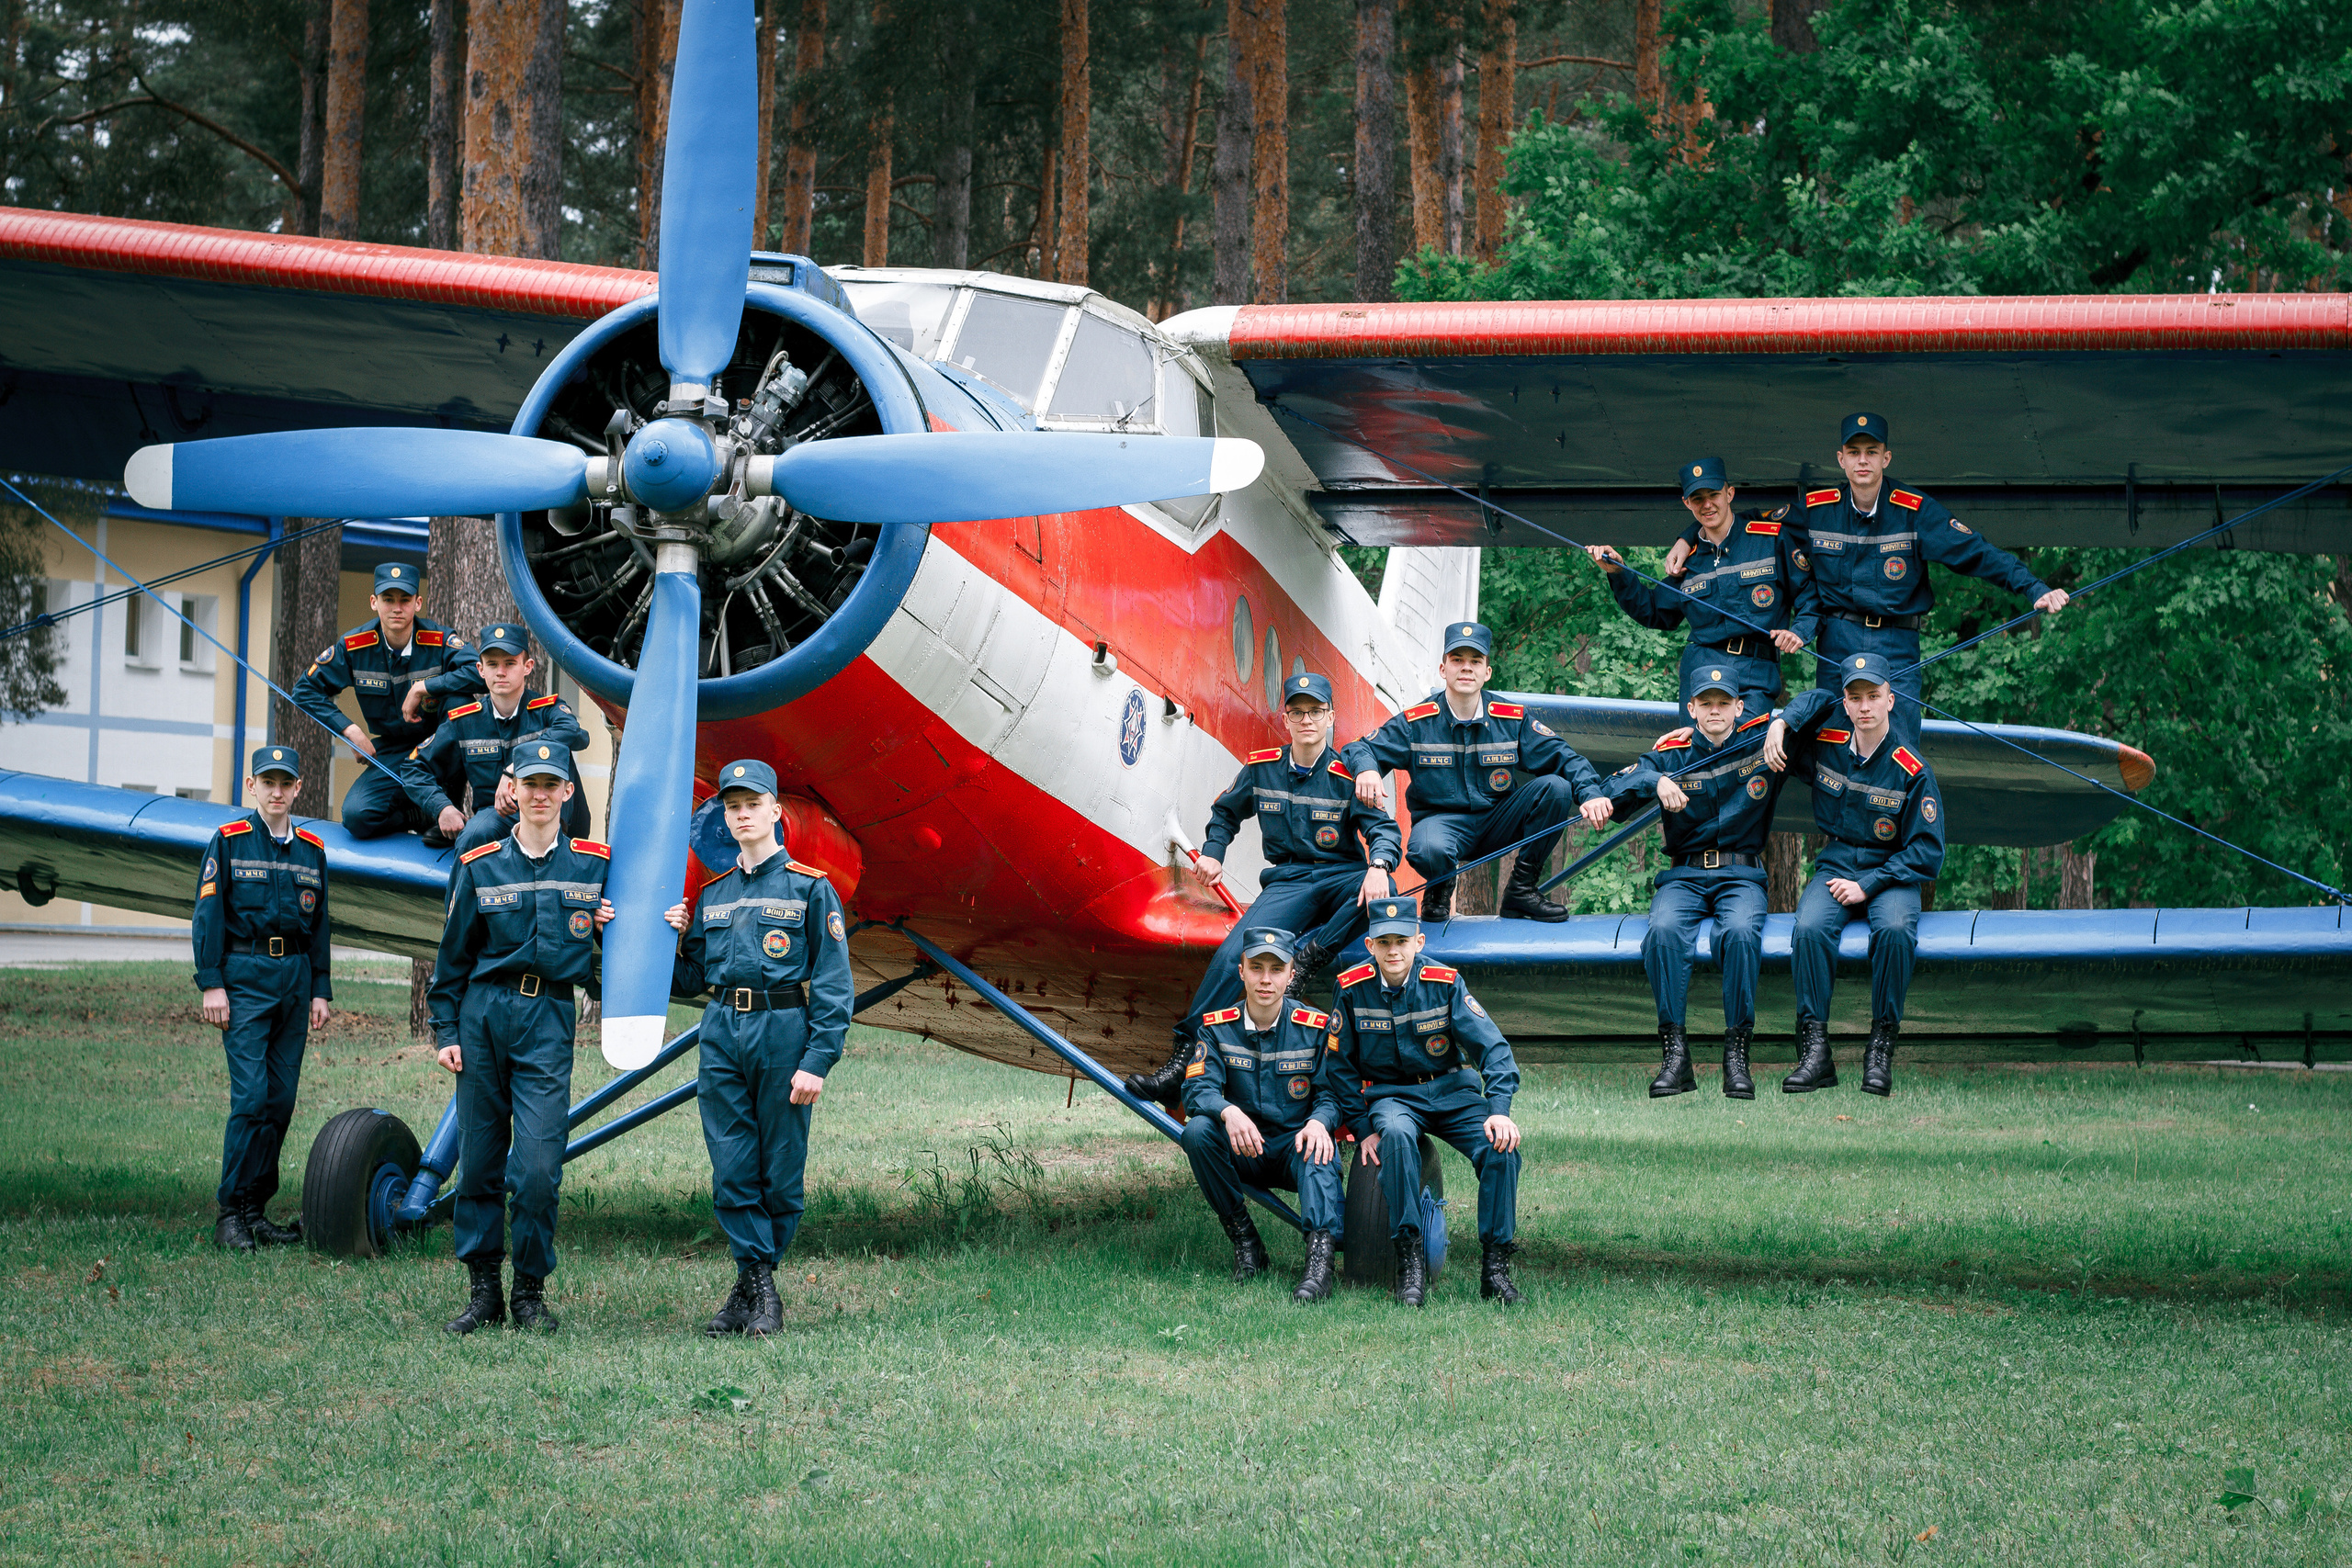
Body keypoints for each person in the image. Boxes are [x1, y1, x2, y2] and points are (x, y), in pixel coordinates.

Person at [1673, 414, 2066, 744]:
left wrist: (2033, 587)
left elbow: (1976, 553)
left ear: (1886, 458)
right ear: (1841, 460)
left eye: (1872, 453)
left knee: (1898, 749)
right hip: (1836, 642)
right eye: (1855, 453)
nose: (1863, 461)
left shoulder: (1915, 511)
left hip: (1896, 644)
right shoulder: (1817, 510)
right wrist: (1687, 537)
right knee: (1831, 745)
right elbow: (1741, 523)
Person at [1125, 671, 1398, 1110]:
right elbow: (1226, 812)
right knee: (1235, 956)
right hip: (1288, 882)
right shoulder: (1262, 766)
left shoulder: (1349, 775)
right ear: (1286, 718)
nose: (1307, 719)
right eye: (1298, 712)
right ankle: (1183, 1061)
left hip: (1340, 877)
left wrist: (1379, 864)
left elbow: (1384, 831)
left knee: (1386, 892)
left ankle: (1308, 958)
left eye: (1316, 711)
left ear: (1330, 717)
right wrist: (1214, 852)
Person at [664, 759, 854, 1338]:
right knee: (731, 1165)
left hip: (783, 1029)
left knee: (782, 1172)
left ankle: (747, 1289)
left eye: (753, 804)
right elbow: (693, 978)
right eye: (732, 805)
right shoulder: (713, 893)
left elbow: (833, 983)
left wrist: (817, 1061)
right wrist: (665, 940)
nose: (742, 814)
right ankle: (760, 1291)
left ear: (776, 811)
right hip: (722, 1030)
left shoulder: (810, 888)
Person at [427, 744, 614, 1334]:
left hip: (548, 1020)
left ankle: (529, 1292)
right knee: (480, 1161)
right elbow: (452, 956)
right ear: (513, 788)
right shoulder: (480, 862)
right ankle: (484, 1291)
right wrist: (446, 1029)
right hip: (484, 1016)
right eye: (528, 782)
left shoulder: (593, 866)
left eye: (550, 784)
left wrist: (621, 927)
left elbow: (619, 946)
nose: (538, 794)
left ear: (566, 794)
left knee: (537, 1166)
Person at [1322, 899, 1524, 1307]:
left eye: (1401, 941)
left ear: (1419, 941)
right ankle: (1410, 1261)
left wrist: (1499, 1111)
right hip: (1392, 1096)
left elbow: (1495, 1051)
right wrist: (1363, 1130)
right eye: (1384, 942)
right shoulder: (1351, 988)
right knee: (1394, 1135)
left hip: (1450, 1092)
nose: (1393, 950)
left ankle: (1495, 1269)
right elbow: (1339, 1067)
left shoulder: (1445, 982)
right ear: (1370, 945)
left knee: (1501, 1149)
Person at [1341, 623, 1614, 923]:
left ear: (1487, 672)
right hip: (1442, 827)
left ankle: (1521, 890)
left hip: (1499, 820)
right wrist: (1367, 768)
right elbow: (1359, 747)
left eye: (1476, 661)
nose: (1466, 668)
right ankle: (1440, 886)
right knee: (1428, 848)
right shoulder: (1417, 722)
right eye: (1457, 659)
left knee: (1557, 788)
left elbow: (1564, 756)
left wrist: (1590, 793)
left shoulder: (1510, 719)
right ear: (1443, 669)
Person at [1763, 652, 1948, 1096]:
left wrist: (1867, 885)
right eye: (1855, 697)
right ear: (1844, 704)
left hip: (1893, 871)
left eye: (1873, 696)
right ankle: (1814, 1052)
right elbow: (1810, 705)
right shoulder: (1825, 744)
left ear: (1890, 700)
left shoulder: (1912, 770)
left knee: (1897, 930)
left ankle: (1880, 1049)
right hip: (1838, 861)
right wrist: (1781, 723)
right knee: (1808, 928)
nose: (1864, 706)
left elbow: (1928, 851)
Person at [1602, 667, 1785, 1100]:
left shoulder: (1762, 742)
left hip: (1740, 875)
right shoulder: (1672, 752)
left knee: (1740, 933)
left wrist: (1782, 721)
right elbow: (1614, 787)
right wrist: (1656, 780)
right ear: (1692, 709)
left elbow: (1822, 702)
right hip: (1684, 876)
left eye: (1725, 703)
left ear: (1740, 707)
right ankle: (1675, 1055)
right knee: (1663, 932)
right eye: (1707, 703)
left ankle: (1737, 1055)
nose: (1716, 710)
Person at [191, 746, 331, 1252]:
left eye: (285, 783)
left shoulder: (312, 851)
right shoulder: (227, 843)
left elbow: (320, 926)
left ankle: (256, 1209)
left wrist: (320, 988)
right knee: (251, 1099)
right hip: (245, 978)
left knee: (280, 1101)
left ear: (298, 789)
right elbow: (207, 916)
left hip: (294, 980)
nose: (276, 791)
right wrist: (212, 982)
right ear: (252, 787)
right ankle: (230, 1213)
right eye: (267, 782)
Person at [1176, 926, 1346, 1303]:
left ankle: (1319, 1266)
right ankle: (1246, 1243)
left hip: (1293, 1147)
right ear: (1242, 971)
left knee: (1320, 1147)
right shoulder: (1217, 1029)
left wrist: (1319, 1122)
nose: (1265, 979)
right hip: (1244, 1147)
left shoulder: (1315, 1028)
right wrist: (1227, 1111)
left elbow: (1332, 1093)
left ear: (1290, 974)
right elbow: (1196, 1090)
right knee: (1198, 1132)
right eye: (1256, 968)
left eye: (1276, 969)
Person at [1588, 455, 1815, 716]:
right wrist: (1618, 572)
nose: (1707, 505)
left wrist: (1800, 631)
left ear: (1730, 493)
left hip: (1756, 674)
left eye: (1714, 495)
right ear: (1687, 503)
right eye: (1697, 499)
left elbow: (1808, 593)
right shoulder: (1687, 559)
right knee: (1699, 756)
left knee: (1743, 753)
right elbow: (1652, 610)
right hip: (1700, 675)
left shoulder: (1770, 540)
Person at [290, 561, 482, 839]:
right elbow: (305, 690)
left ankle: (446, 807)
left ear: (418, 603)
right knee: (357, 817)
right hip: (394, 752)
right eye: (388, 599)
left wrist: (425, 687)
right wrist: (350, 731)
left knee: (459, 701)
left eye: (405, 600)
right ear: (373, 602)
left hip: (439, 748)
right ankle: (417, 814)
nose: (396, 607)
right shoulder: (355, 646)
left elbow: (479, 675)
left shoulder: (439, 640)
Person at [394, 622, 591, 851]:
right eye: (492, 664)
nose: (500, 672)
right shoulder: (465, 721)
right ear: (480, 669)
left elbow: (576, 734)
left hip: (552, 815)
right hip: (498, 817)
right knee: (471, 838)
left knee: (560, 748)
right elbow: (413, 767)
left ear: (527, 667)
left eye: (510, 663)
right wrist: (442, 808)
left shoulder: (546, 710)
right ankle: (460, 888)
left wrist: (515, 768)